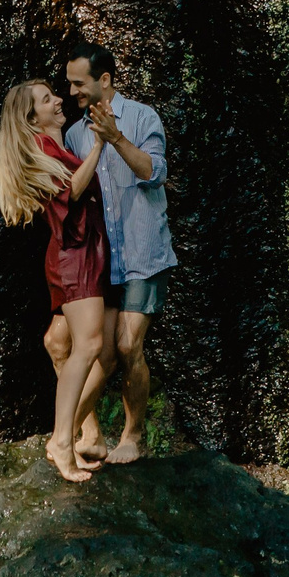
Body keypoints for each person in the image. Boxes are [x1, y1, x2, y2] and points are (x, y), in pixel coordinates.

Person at [0, 79, 112, 481]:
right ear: (32, 118)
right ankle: (62, 441)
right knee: (91, 344)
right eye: (47, 100)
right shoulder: (42, 147)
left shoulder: (51, 147)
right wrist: (100, 144)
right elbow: (72, 192)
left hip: (74, 254)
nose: (59, 100)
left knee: (59, 341)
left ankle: (87, 433)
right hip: (76, 257)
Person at [63, 42, 173, 464]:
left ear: (105, 80)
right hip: (101, 260)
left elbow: (155, 172)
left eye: (79, 83)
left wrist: (116, 138)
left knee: (128, 346)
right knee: (93, 349)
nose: (72, 92)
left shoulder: (143, 117)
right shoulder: (74, 135)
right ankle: (85, 432)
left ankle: (134, 435)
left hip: (144, 253)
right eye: (70, 84)